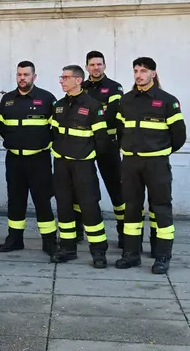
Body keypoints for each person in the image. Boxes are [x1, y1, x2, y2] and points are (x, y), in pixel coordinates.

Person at [115, 57, 186, 275]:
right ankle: (131, 254)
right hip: (131, 163)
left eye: (143, 71)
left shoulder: (167, 101)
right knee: (131, 208)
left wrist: (160, 151)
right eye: (136, 70)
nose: (138, 74)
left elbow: (179, 136)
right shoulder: (125, 101)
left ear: (153, 74)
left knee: (161, 208)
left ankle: (163, 255)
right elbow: (119, 131)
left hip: (156, 163)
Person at [50, 65, 111, 268]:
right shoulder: (58, 105)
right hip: (61, 164)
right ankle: (67, 248)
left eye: (66, 77)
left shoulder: (93, 106)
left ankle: (98, 251)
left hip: (83, 165)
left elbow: (102, 139)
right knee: (64, 205)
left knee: (89, 206)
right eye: (61, 77)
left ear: (78, 80)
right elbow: (54, 134)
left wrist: (88, 155)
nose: (62, 81)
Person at [0, 61, 58, 255]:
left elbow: (55, 129)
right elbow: (1, 126)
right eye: (19, 74)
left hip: (38, 159)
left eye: (26, 75)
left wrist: (40, 143)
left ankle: (49, 242)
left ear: (34, 77)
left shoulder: (47, 99)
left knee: (42, 201)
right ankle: (14, 238)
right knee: (15, 200)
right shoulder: (7, 100)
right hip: (14, 160)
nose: (22, 78)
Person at [81, 51, 125, 247]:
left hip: (108, 145)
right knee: (80, 188)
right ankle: (76, 231)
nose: (96, 68)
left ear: (104, 66)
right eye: (92, 65)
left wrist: (88, 118)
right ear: (87, 67)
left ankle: (124, 232)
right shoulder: (81, 87)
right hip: (84, 145)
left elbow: (112, 115)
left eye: (99, 64)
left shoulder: (114, 88)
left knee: (116, 188)